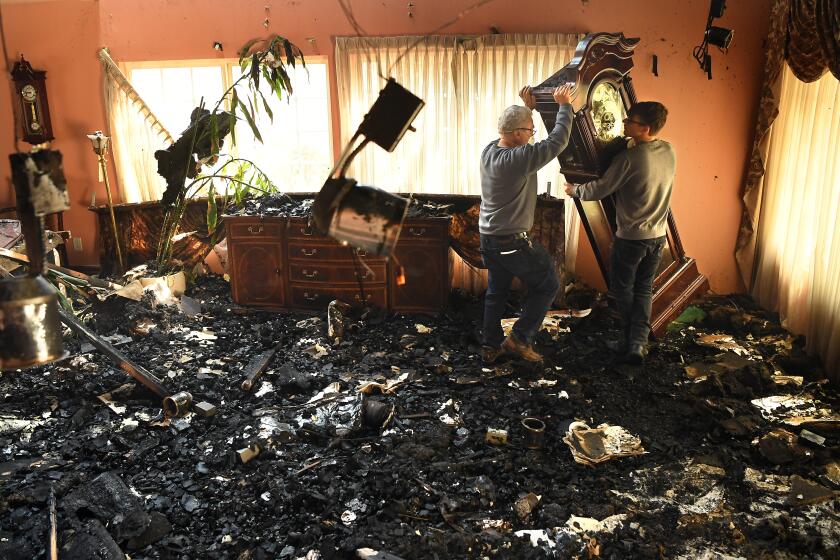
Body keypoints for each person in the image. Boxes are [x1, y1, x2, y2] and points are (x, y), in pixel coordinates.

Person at [564, 101, 675, 365]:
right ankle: (638, 343)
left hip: (631, 239)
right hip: (658, 237)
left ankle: (628, 339)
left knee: (622, 289)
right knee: (644, 289)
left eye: (630, 121)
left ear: (645, 128)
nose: (624, 123)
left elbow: (601, 188)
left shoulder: (630, 159)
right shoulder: (668, 150)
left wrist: (575, 190)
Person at [479, 84, 574, 363]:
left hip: (489, 236)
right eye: (530, 130)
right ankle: (519, 340)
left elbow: (517, 132)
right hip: (511, 240)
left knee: (496, 292)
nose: (532, 135)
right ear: (518, 134)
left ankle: (490, 345)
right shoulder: (519, 158)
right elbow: (557, 142)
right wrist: (565, 106)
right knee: (548, 285)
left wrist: (527, 110)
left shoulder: (489, 150)